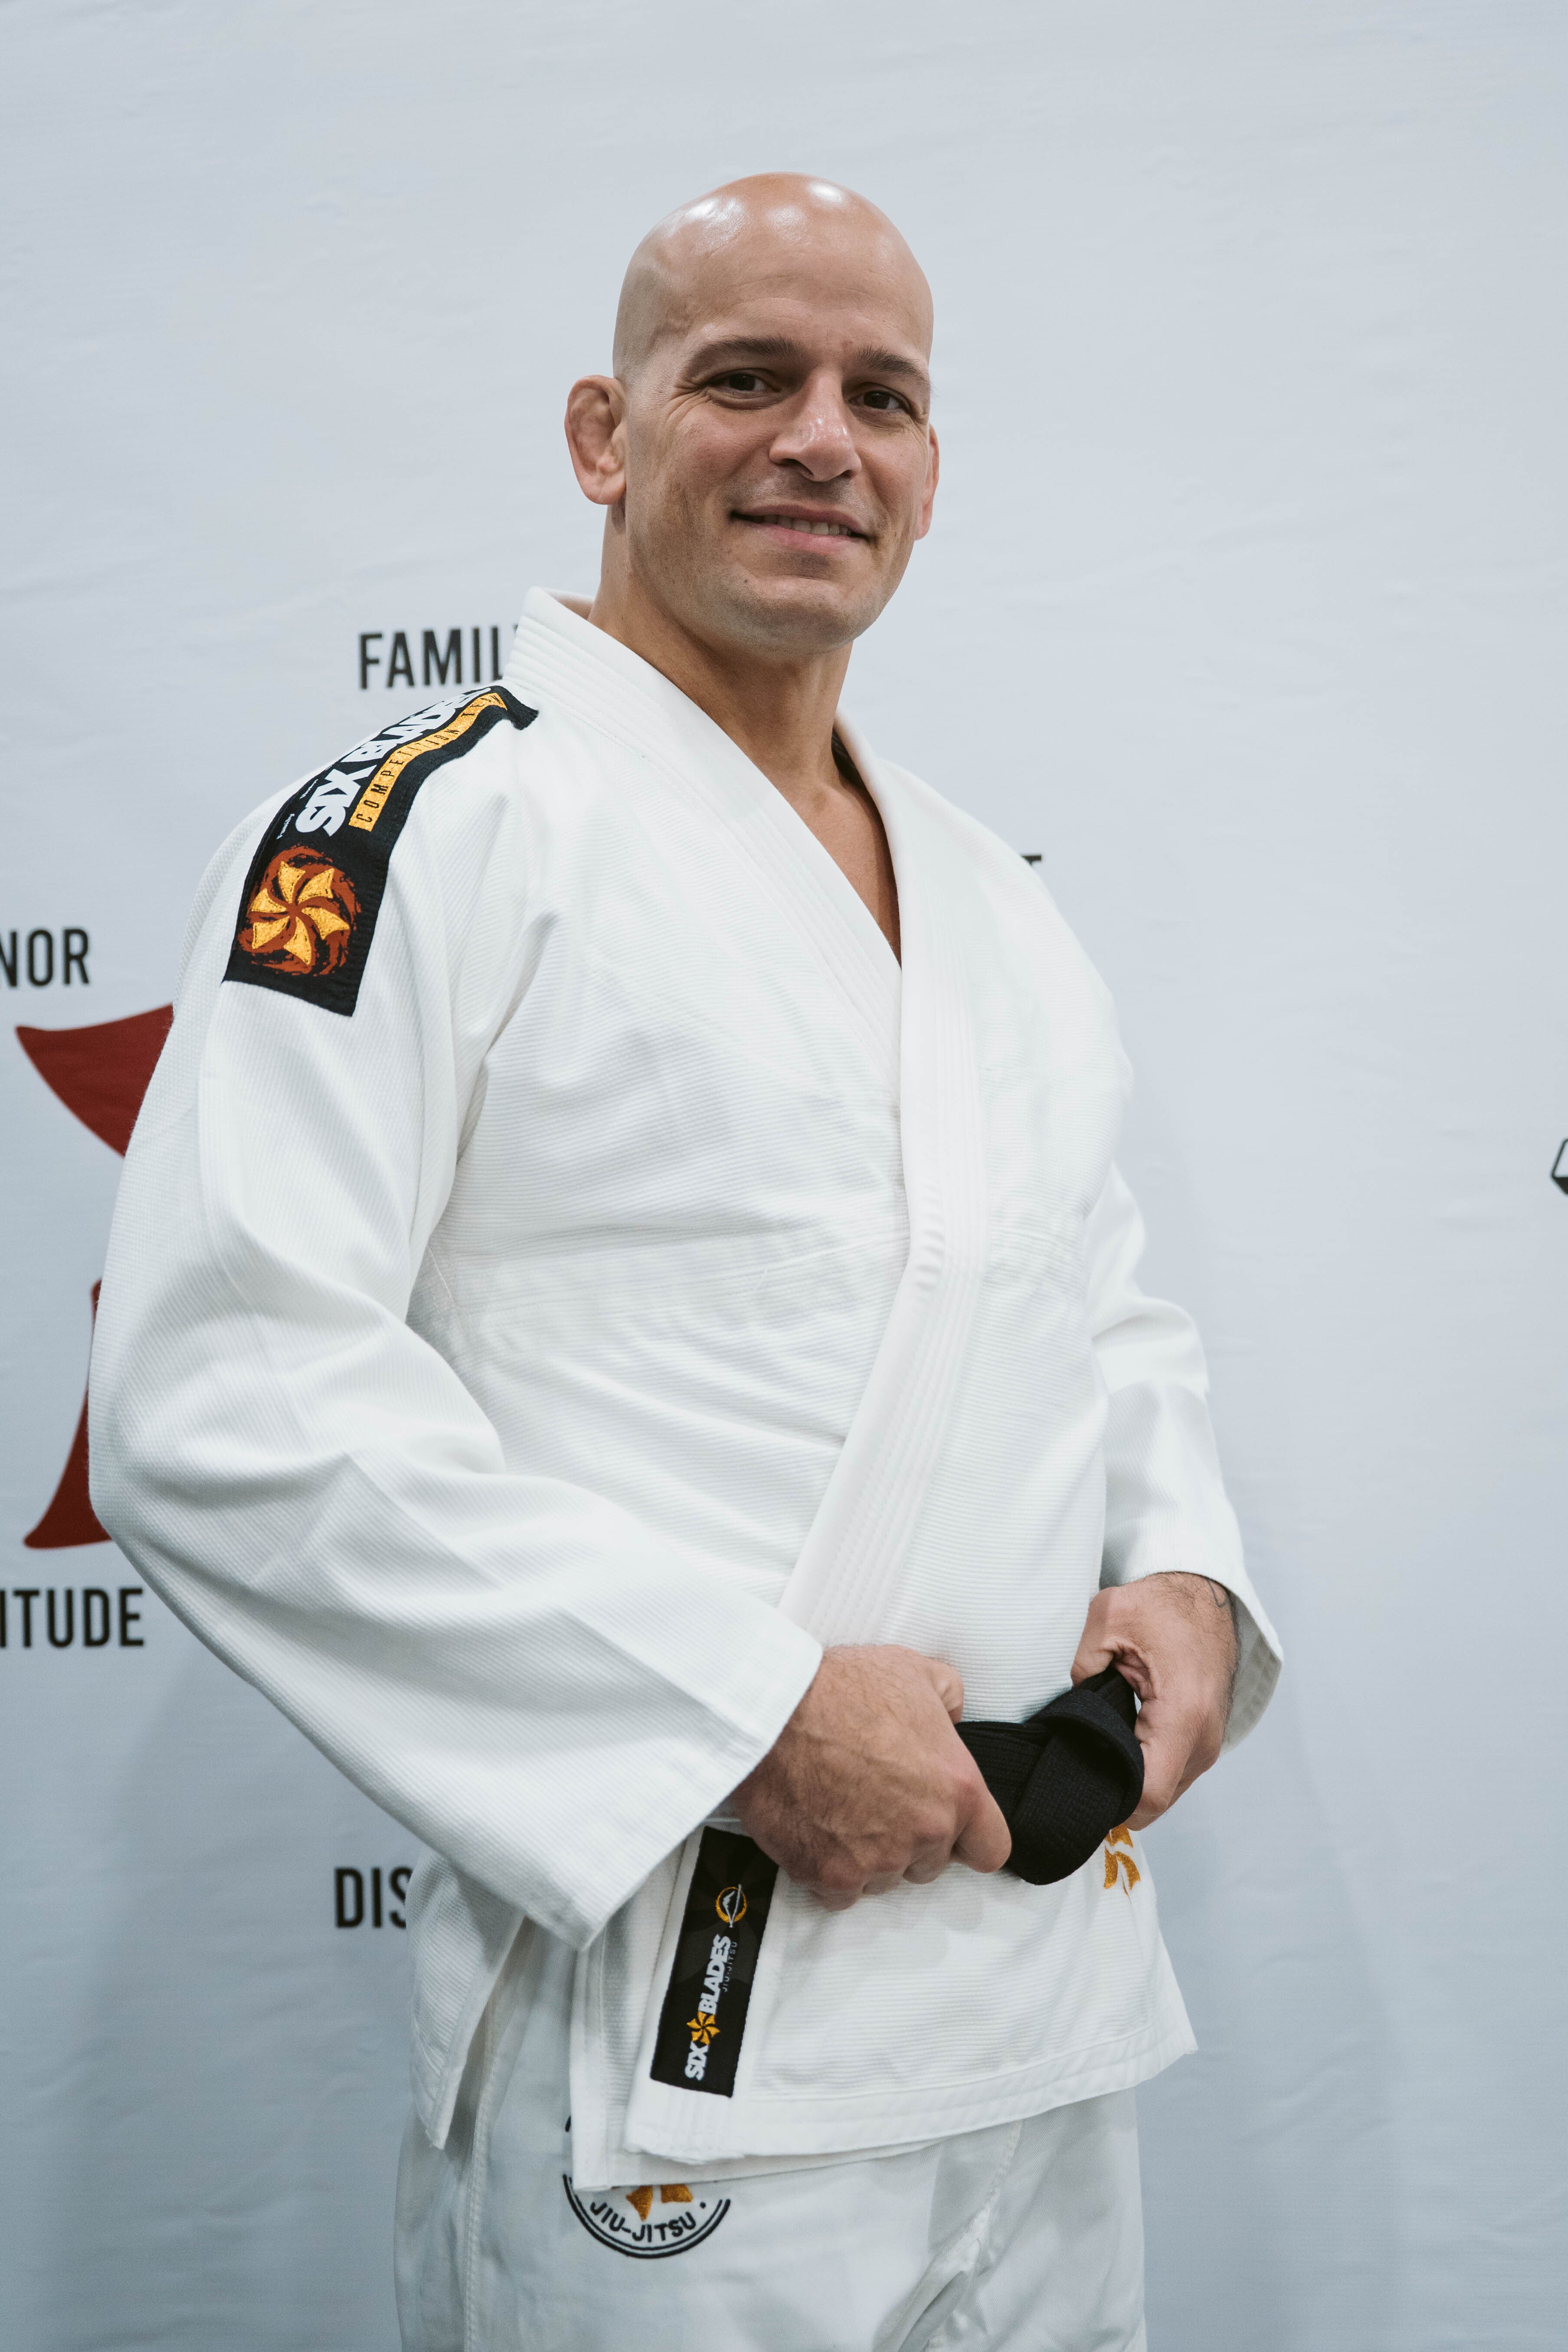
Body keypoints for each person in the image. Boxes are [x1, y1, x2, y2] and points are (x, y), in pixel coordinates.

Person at [92, 174, 1281, 2352]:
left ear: (931, 470)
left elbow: (1093, 1304)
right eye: (747, 377)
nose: (823, 437)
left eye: (883, 396)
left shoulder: (991, 901)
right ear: (602, 433)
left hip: (1042, 2005)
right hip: (685, 2028)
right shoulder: (416, 832)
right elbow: (226, 1397)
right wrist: (741, 1718)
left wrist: (1190, 1573)